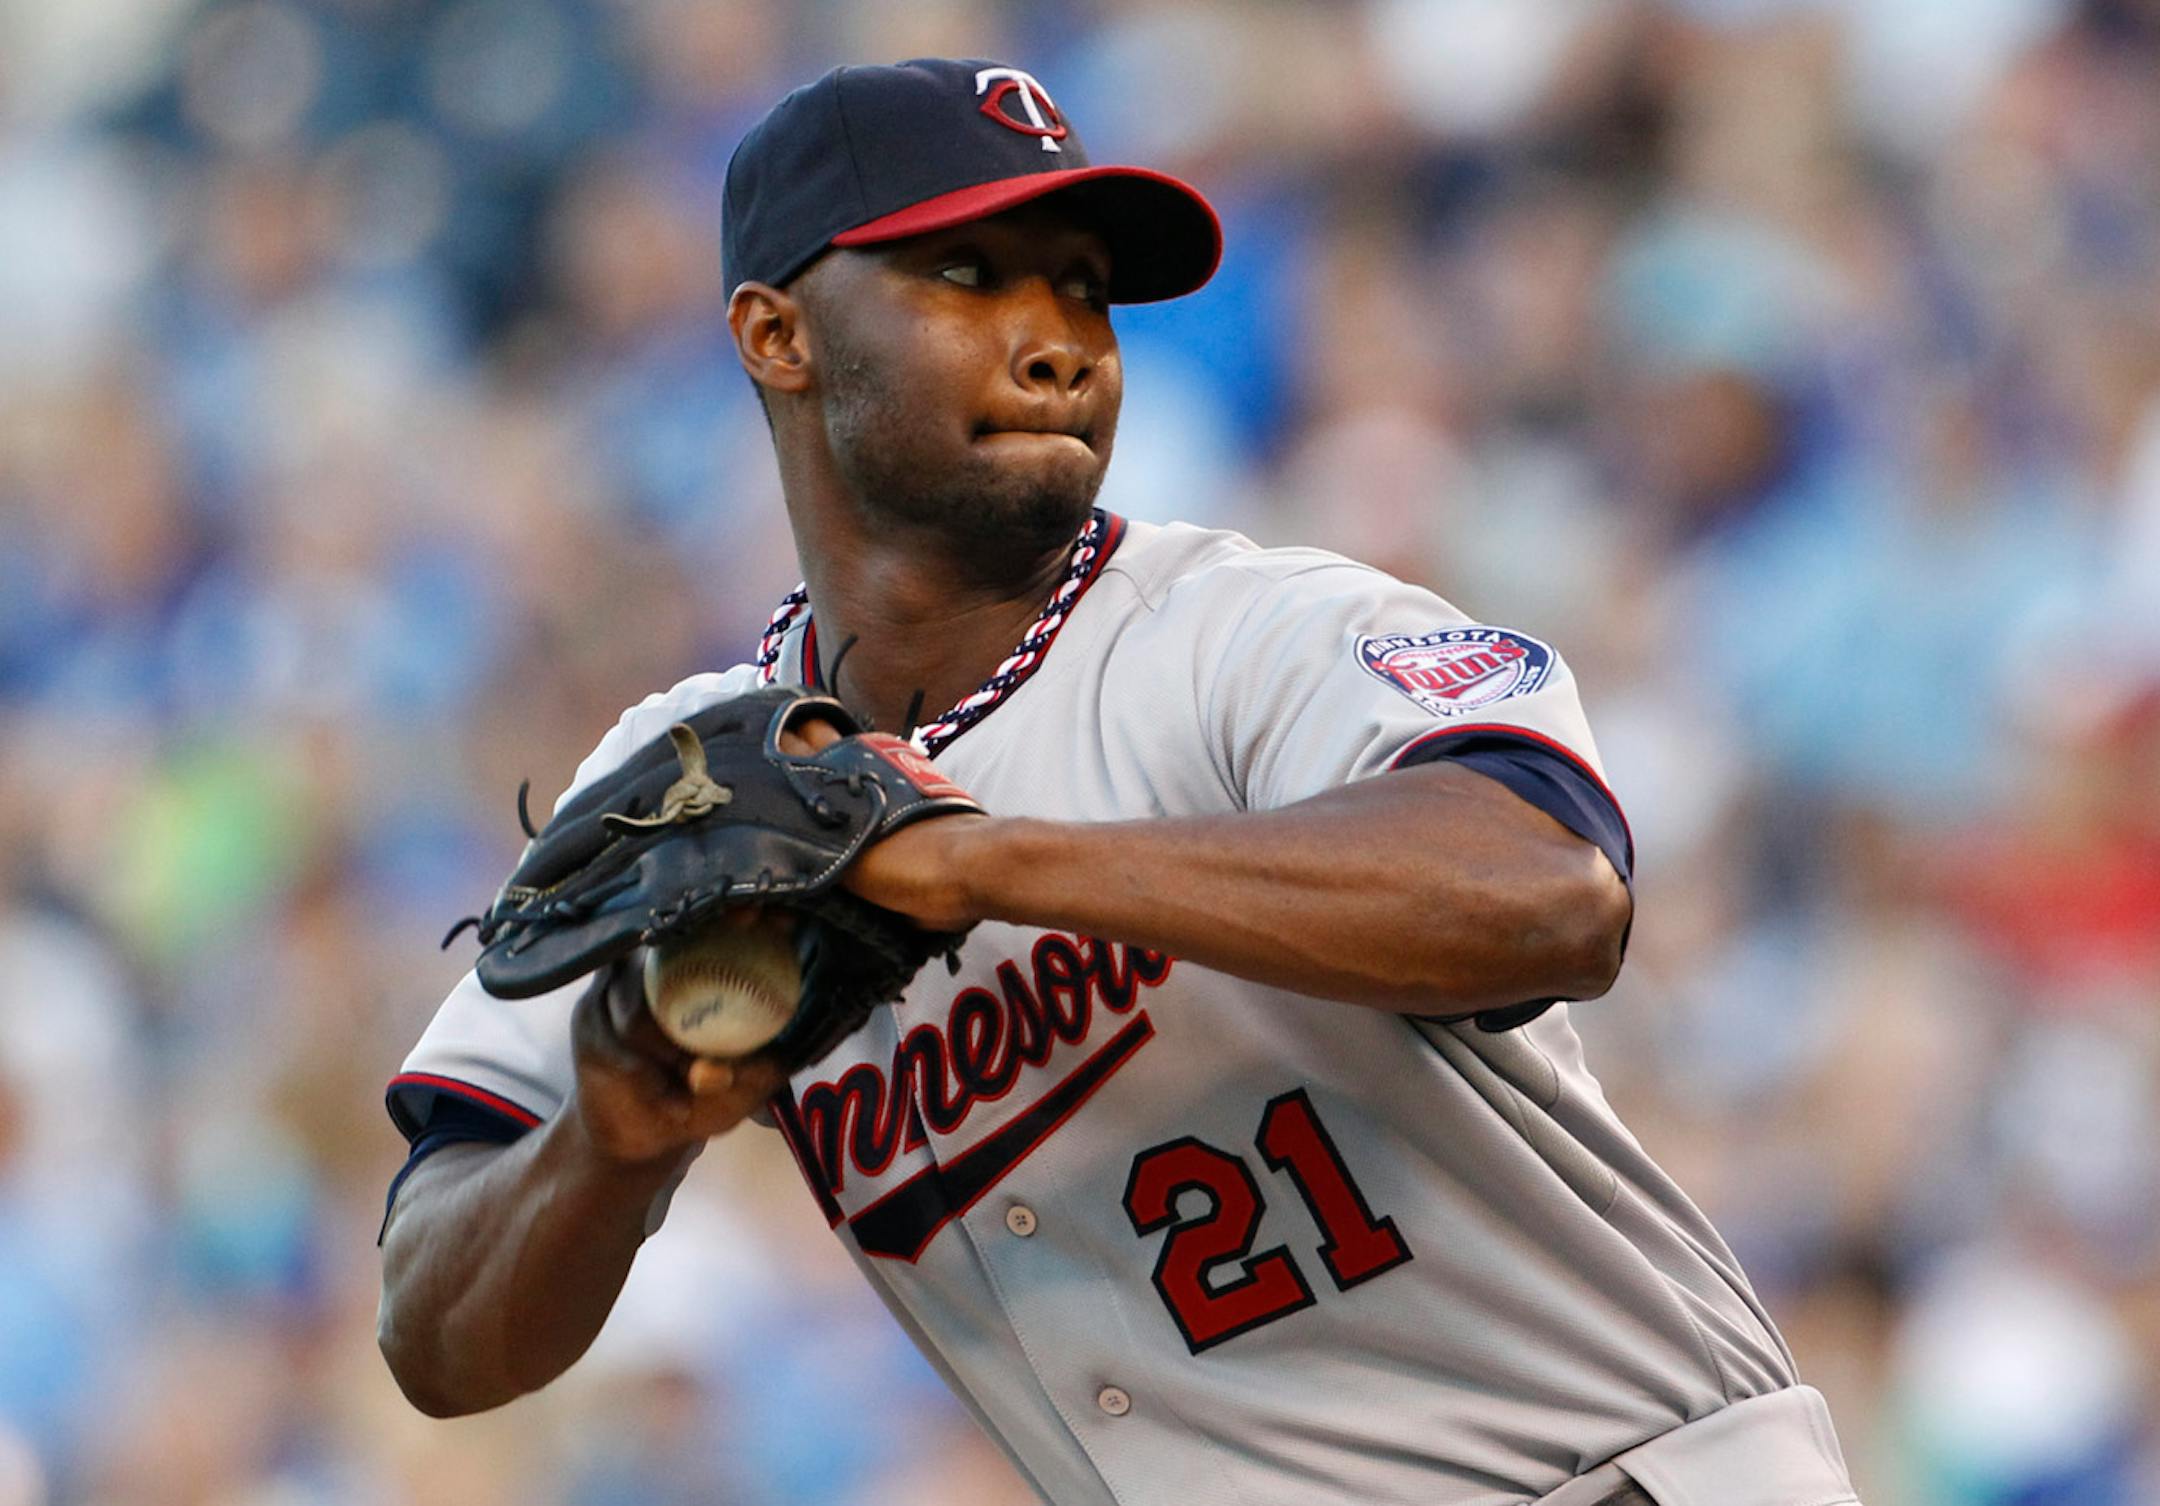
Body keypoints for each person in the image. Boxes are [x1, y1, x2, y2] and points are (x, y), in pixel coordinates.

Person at [377, 58, 1859, 1506]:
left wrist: (977, 862)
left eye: (1081, 283)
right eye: (967, 277)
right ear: (777, 334)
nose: (1058, 340)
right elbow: (435, 1331)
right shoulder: (700, 777)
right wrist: (608, 1140)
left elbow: (1556, 888)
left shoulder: (1245, 627)